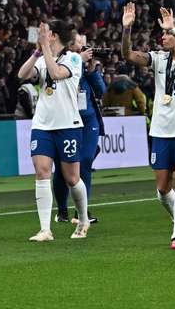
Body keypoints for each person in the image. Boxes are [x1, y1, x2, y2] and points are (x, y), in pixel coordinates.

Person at [121, 3, 175, 250]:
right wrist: (126, 29)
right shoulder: (158, 59)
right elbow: (128, 55)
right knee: (162, 190)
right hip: (161, 130)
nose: (163, 36)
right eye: (164, 33)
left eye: (167, 33)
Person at [16, 21, 90, 242]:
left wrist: (45, 50)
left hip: (67, 125)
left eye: (45, 34)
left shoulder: (74, 58)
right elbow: (23, 74)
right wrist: (37, 51)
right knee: (42, 172)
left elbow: (56, 73)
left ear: (54, 35)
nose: (42, 36)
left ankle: (84, 219)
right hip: (42, 125)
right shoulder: (41, 57)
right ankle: (45, 229)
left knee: (72, 178)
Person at [54, 33, 106, 224]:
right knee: (62, 168)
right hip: (65, 120)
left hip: (87, 120)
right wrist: (80, 63)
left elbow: (101, 92)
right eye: (79, 43)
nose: (83, 47)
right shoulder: (61, 62)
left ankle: (81, 212)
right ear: (69, 45)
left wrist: (92, 70)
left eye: (85, 45)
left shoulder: (87, 66)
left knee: (84, 160)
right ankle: (61, 211)